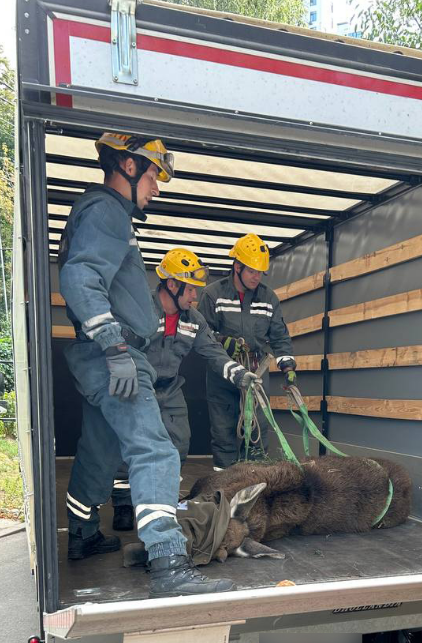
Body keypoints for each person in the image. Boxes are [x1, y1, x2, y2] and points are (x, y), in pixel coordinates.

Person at [58, 132, 254, 598]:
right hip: (118, 357)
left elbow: (208, 348)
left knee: (99, 453)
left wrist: (238, 372)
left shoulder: (101, 214)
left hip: (101, 360)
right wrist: (114, 344)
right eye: (153, 175)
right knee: (156, 451)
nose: (157, 187)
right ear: (127, 167)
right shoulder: (106, 211)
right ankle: (168, 563)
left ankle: (82, 535)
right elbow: (79, 276)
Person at [110, 247, 257, 529]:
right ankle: (123, 504)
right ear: (173, 284)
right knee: (129, 445)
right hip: (139, 387)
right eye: (191, 290)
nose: (195, 297)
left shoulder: (193, 320)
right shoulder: (141, 310)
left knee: (178, 443)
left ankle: (163, 500)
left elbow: (213, 352)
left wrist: (239, 374)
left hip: (170, 389)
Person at [199, 233, 296, 470]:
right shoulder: (213, 295)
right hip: (223, 375)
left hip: (256, 375)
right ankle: (224, 493)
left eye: (260, 272)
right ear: (237, 266)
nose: (257, 276)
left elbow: (279, 335)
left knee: (258, 434)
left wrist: (288, 366)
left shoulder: (268, 298)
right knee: (223, 435)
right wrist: (223, 341)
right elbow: (201, 334)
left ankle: (255, 491)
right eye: (251, 270)